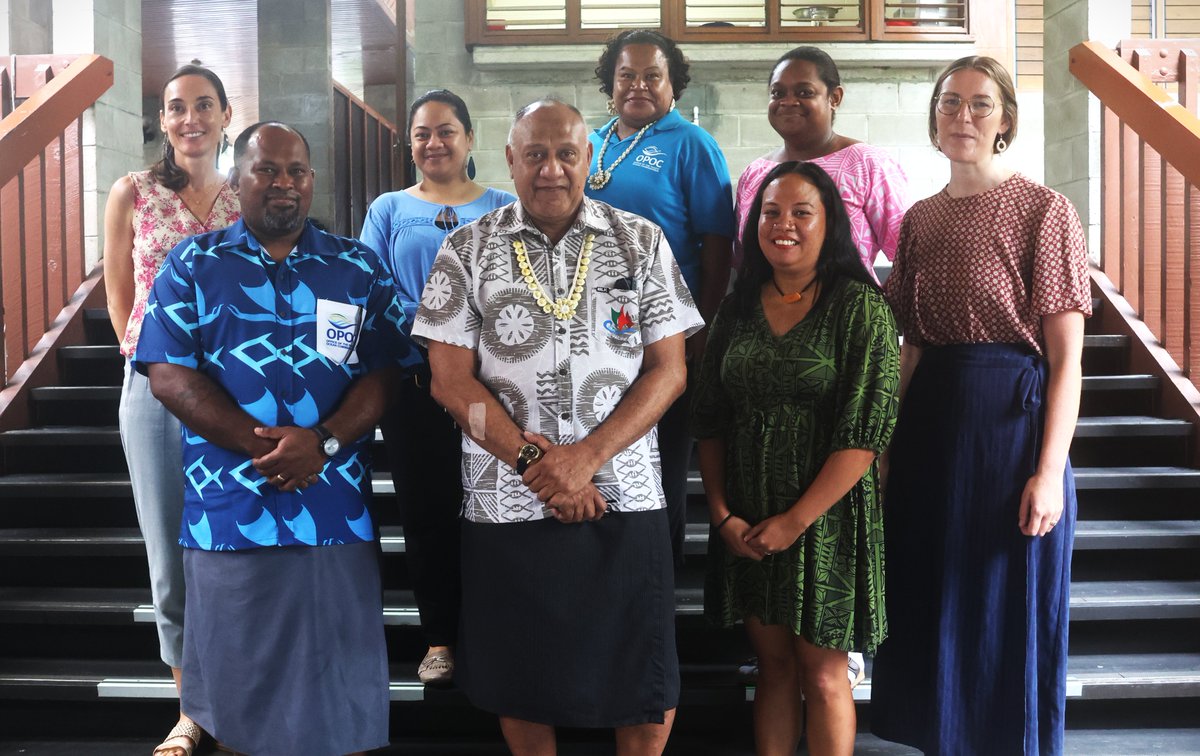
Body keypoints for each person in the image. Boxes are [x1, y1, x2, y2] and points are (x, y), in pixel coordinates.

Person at [412, 99, 702, 755]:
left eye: (566, 153)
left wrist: (586, 458)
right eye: (535, 154)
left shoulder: (641, 241)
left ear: (590, 160)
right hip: (507, 499)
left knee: (641, 671)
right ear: (510, 160)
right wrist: (537, 465)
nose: (551, 169)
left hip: (624, 490)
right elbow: (451, 383)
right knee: (521, 674)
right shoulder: (467, 248)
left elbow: (669, 372)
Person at [134, 121, 420, 756]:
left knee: (337, 687)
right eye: (266, 169)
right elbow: (168, 375)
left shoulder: (356, 267)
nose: (283, 183)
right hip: (230, 511)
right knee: (240, 689)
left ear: (312, 181)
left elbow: (385, 371)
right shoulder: (194, 263)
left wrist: (322, 441)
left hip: (333, 509)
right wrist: (263, 445)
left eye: (296, 171)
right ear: (238, 181)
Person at [869, 56, 1090, 756]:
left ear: (1006, 121)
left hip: (1009, 429)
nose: (963, 116)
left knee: (1002, 603)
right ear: (934, 116)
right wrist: (885, 445)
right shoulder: (920, 218)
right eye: (950, 102)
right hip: (932, 425)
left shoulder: (1044, 209)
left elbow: (1068, 360)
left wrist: (1049, 472)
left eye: (980, 105)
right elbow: (907, 343)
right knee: (933, 598)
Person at [692, 161, 899, 756]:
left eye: (801, 212)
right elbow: (709, 417)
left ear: (829, 222)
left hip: (826, 518)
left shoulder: (861, 308)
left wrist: (796, 521)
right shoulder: (736, 308)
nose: (784, 224)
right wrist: (723, 512)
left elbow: (866, 433)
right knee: (773, 668)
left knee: (825, 673)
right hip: (750, 516)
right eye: (771, 211)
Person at [101, 63, 239, 756]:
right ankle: (192, 711)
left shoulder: (248, 198)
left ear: (226, 115)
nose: (190, 119)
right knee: (169, 554)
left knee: (234, 547)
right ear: (163, 119)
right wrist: (149, 363)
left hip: (237, 396)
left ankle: (237, 697)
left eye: (203, 106)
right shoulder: (134, 193)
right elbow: (120, 298)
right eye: (176, 107)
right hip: (156, 390)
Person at [358, 89, 515, 687]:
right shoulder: (390, 208)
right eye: (421, 134)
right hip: (415, 382)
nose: (433, 143)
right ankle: (440, 638)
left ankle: (494, 631)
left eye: (446, 131)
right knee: (427, 511)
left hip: (494, 384)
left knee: (498, 508)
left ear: (470, 139)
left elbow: (516, 289)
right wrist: (433, 338)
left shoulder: (503, 204)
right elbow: (372, 284)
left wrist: (469, 345)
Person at [585, 29, 735, 564]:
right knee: (601, 466)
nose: (639, 85)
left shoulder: (690, 142)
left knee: (659, 470)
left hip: (667, 335)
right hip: (597, 336)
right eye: (627, 74)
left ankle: (657, 599)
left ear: (673, 86)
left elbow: (718, 239)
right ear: (611, 82)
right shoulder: (594, 141)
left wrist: (704, 325)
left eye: (653, 75)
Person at [734, 46, 912, 282]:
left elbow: (911, 258)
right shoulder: (756, 173)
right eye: (777, 93)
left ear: (834, 97)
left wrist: (879, 313)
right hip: (766, 313)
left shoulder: (867, 164)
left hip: (848, 315)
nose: (788, 102)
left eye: (805, 92)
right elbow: (742, 257)